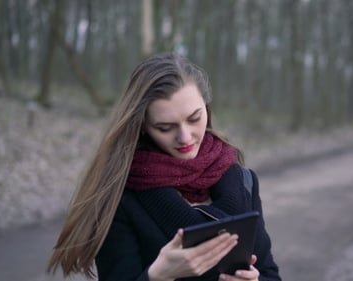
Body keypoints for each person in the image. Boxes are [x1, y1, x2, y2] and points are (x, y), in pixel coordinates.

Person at [46, 52, 281, 281]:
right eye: (165, 127)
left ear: (206, 109)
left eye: (194, 118)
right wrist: (158, 275)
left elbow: (269, 272)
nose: (185, 137)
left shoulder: (243, 181)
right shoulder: (121, 198)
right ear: (144, 126)